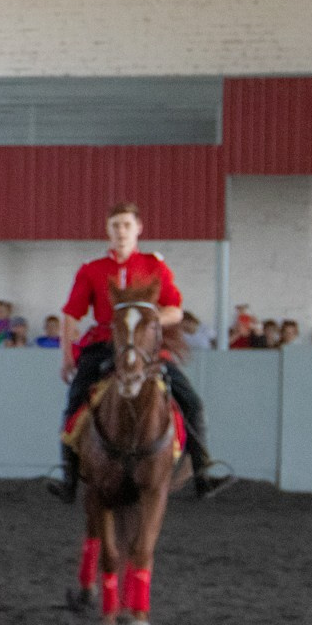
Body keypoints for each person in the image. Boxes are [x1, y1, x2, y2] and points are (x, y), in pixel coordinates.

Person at [51, 201, 223, 501]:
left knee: (191, 401)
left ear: (138, 229)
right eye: (115, 225)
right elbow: (70, 315)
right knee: (75, 400)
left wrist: (147, 321)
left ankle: (203, 471)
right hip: (104, 345)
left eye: (127, 225)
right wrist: (67, 356)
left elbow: (175, 311)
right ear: (108, 230)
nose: (121, 231)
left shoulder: (154, 267)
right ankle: (68, 478)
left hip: (145, 347)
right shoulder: (92, 270)